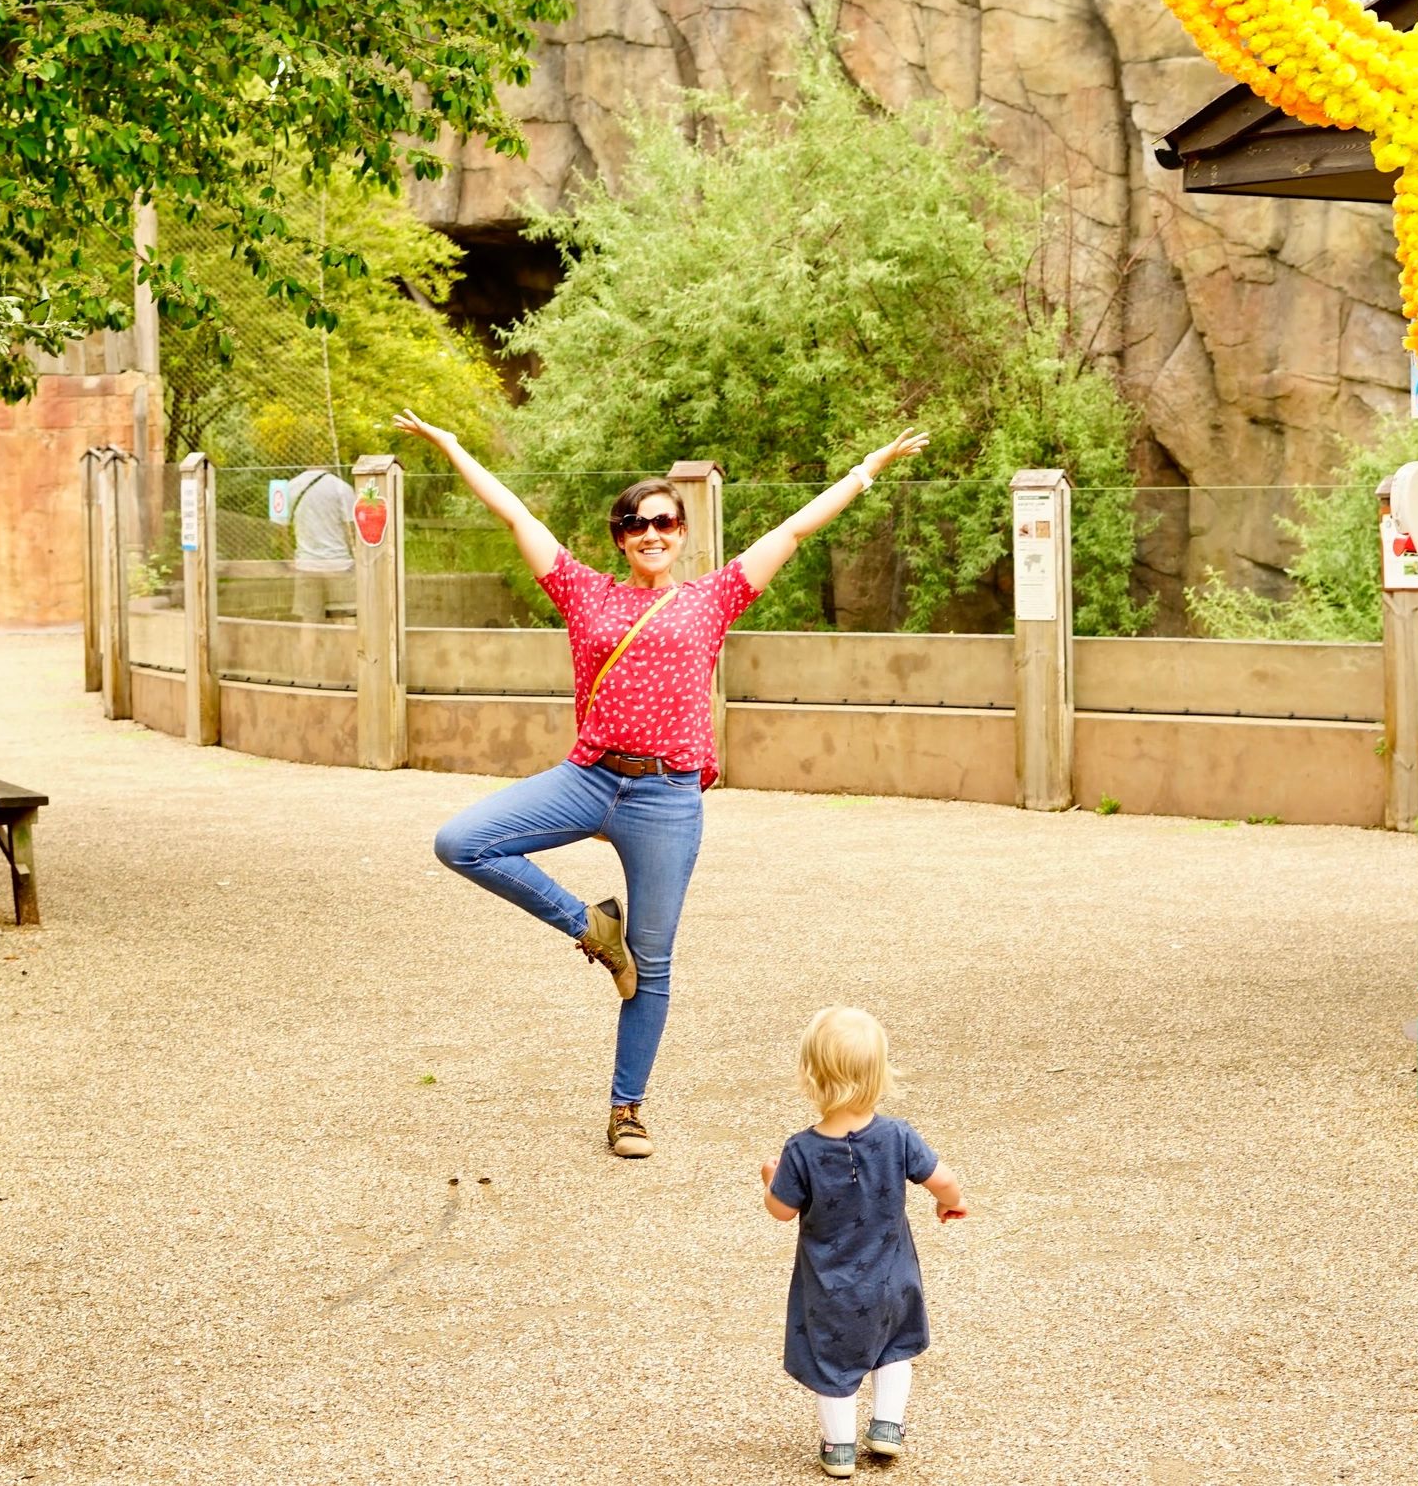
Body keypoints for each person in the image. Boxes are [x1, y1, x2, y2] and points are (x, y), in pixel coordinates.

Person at [394, 410, 928, 1159]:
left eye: (664, 523)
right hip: (589, 777)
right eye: (635, 524)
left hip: (667, 798)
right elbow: (512, 510)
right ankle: (589, 927)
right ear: (618, 537)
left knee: (656, 960)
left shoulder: (713, 597)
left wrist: (868, 468)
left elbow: (796, 532)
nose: (651, 534)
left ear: (682, 531)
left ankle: (627, 1110)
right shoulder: (584, 593)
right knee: (462, 841)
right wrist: (452, 445)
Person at [761, 1006, 965, 1480]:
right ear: (879, 1074)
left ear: (811, 1077)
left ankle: (840, 1447)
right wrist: (948, 1202)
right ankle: (887, 1426)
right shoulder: (898, 1136)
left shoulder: (801, 1150)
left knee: (831, 1361)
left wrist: (771, 1182)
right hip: (892, 1277)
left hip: (831, 1288)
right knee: (895, 1345)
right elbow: (943, 1179)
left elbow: (781, 1210)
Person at [283, 465, 355, 622]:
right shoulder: (342, 488)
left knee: (309, 623)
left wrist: (289, 557)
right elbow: (351, 531)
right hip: (339, 564)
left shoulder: (288, 486)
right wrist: (355, 557)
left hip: (306, 565)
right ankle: (346, 647)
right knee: (344, 620)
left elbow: (278, 528)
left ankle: (308, 648)